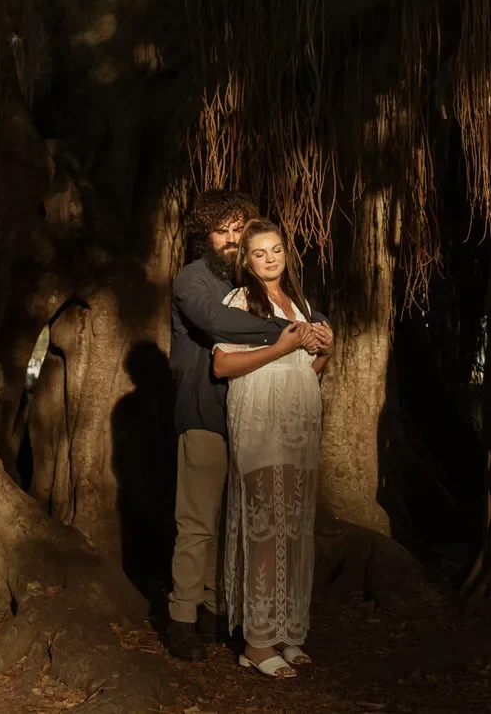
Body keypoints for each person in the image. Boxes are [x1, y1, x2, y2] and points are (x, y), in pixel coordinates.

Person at [166, 191, 327, 661]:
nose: (232, 239)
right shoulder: (192, 280)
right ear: (205, 235)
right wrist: (287, 335)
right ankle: (182, 620)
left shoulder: (253, 281)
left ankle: (220, 614)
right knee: (198, 523)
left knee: (241, 520)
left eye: (240, 229)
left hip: (255, 420)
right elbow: (217, 322)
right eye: (222, 230)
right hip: (205, 415)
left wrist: (317, 329)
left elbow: (305, 316)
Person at [213, 219, 332, 679]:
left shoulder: (299, 303)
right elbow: (222, 364)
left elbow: (309, 369)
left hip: (298, 417)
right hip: (259, 416)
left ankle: (288, 631)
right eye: (259, 252)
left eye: (277, 250)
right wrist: (282, 347)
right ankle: (257, 642)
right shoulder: (240, 301)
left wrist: (327, 349)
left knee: (295, 525)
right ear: (246, 259)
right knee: (264, 523)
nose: (270, 259)